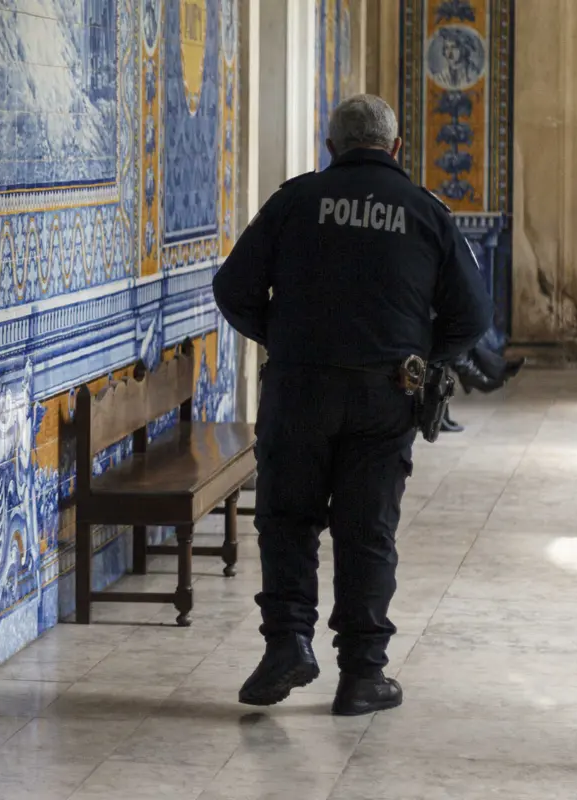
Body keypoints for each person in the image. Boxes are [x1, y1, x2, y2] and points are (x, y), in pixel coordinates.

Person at [212, 95, 492, 716]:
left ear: (330, 145)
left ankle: (287, 645)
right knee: (368, 530)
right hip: (385, 393)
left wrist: (280, 335)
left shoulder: (294, 201)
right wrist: (422, 354)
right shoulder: (425, 211)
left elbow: (232, 287)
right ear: (397, 147)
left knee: (287, 518)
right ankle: (363, 674)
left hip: (299, 389)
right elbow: (473, 315)